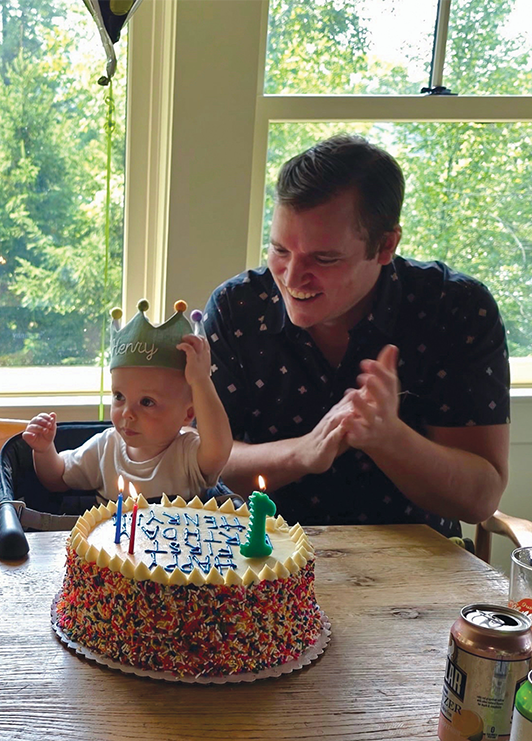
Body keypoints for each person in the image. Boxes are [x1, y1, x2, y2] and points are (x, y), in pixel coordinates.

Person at [203, 135, 510, 537]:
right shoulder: (236, 307)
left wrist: (390, 438)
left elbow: (480, 498)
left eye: (324, 258)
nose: (292, 278)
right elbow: (203, 463)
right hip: (262, 563)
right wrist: (303, 452)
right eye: (280, 250)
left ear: (386, 246)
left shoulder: (456, 308)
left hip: (415, 573)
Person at [23, 300, 233, 503]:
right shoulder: (105, 448)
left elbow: (219, 449)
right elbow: (57, 479)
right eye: (119, 397)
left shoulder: (187, 455)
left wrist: (200, 381)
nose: (127, 413)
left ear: (188, 414)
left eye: (147, 402)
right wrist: (44, 450)